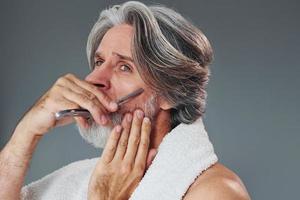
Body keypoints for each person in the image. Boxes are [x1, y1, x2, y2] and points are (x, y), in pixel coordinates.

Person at [0, 1, 251, 199]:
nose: (95, 78)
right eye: (99, 62)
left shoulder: (215, 192)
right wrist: (25, 135)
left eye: (124, 67)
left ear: (169, 93)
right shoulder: (80, 179)